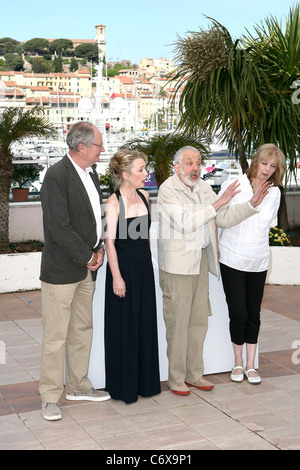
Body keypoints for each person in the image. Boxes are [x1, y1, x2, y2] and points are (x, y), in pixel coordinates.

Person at [157, 146, 269, 396]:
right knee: (178, 324)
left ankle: (194, 374)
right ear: (177, 167)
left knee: (197, 322)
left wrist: (251, 204)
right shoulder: (167, 190)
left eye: (197, 162)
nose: (195, 168)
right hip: (177, 267)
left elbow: (224, 218)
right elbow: (186, 223)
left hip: (199, 263)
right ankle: (176, 378)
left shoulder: (204, 188)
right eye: (189, 163)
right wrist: (219, 202)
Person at [39, 121, 110, 421]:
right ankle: (50, 397)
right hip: (62, 270)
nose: (102, 150)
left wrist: (100, 247)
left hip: (87, 269)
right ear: (82, 147)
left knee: (82, 330)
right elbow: (58, 227)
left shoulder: (89, 173)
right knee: (56, 336)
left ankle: (78, 385)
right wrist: (87, 255)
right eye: (98, 145)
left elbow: (95, 217)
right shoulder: (56, 176)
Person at [218, 143, 286, 385]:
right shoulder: (235, 185)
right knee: (238, 312)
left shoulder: (275, 193)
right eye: (264, 163)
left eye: (272, 166)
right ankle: (237, 362)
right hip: (232, 259)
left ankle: (250, 365)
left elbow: (268, 226)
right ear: (256, 161)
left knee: (253, 314)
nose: (267, 169)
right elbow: (220, 218)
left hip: (259, 260)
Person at [104, 149, 161, 404]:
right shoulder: (113, 202)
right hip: (123, 270)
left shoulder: (146, 196)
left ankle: (145, 384)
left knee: (144, 323)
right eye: (140, 170)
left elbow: (146, 236)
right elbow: (109, 243)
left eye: (144, 168)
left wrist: (149, 266)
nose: (145, 174)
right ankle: (124, 386)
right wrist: (117, 277)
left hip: (143, 269)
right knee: (125, 327)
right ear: (126, 174)